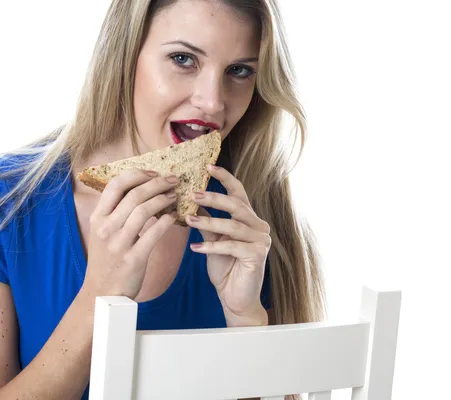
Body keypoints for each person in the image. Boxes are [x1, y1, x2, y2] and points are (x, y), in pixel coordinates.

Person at [0, 0, 326, 399]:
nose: (213, 102)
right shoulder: (11, 199)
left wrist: (246, 319)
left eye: (239, 71)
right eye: (183, 59)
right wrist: (99, 294)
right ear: (124, 56)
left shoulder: (253, 217)